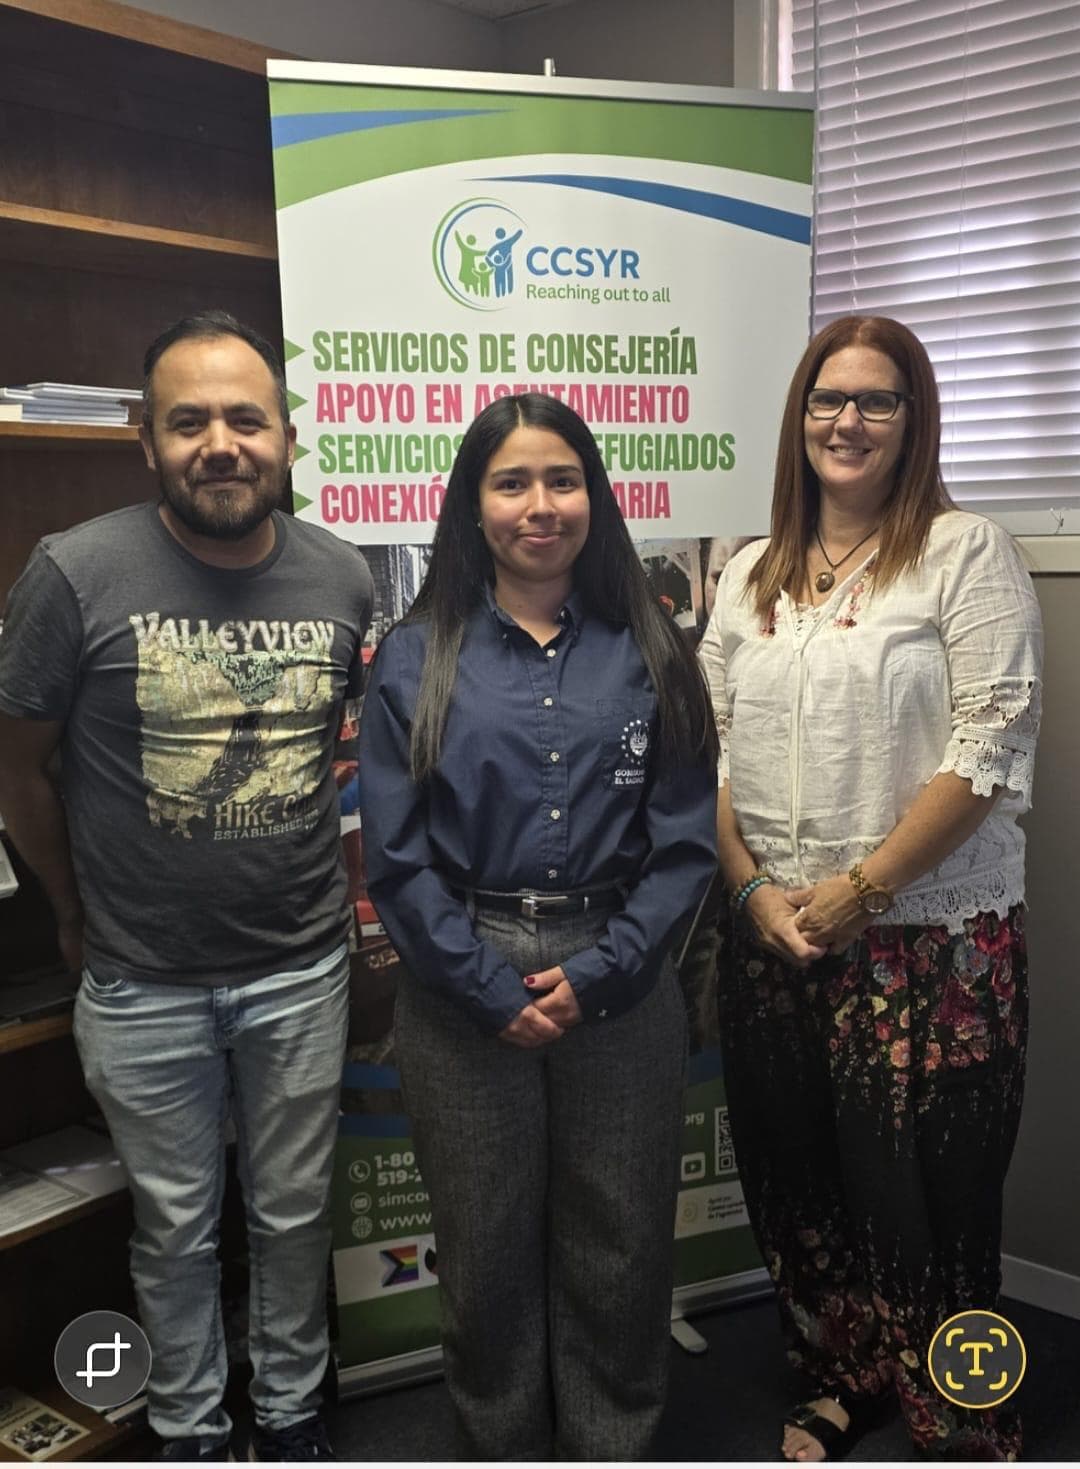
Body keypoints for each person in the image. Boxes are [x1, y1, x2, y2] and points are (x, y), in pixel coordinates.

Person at [0, 312, 374, 1462]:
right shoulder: (74, 571)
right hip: (140, 976)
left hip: (301, 967)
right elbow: (20, 764)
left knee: (296, 1213)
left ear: (289, 440)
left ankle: (295, 1406)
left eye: (246, 417)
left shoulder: (344, 576)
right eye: (190, 420)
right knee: (174, 1228)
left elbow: (337, 765)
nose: (221, 441)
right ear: (147, 441)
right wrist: (68, 909)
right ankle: (192, 1425)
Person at [698, 314, 1042, 1461]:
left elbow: (992, 745)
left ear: (913, 419)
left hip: (928, 942)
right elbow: (711, 750)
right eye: (826, 399)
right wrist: (750, 892)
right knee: (800, 1182)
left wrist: (863, 887)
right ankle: (842, 1375)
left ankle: (965, 1403)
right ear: (799, 419)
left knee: (939, 1203)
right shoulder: (750, 570)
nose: (847, 421)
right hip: (776, 934)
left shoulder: (965, 550)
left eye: (876, 400)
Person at [357, 392, 717, 1460]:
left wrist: (603, 971)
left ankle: (613, 1438)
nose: (539, 504)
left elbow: (685, 842)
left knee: (620, 1241)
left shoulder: (651, 646)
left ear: (595, 499)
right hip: (461, 974)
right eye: (511, 482)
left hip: (622, 969)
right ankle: (502, 1439)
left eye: (563, 479)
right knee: (485, 1244)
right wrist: (484, 987)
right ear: (474, 505)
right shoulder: (414, 654)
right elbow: (397, 857)